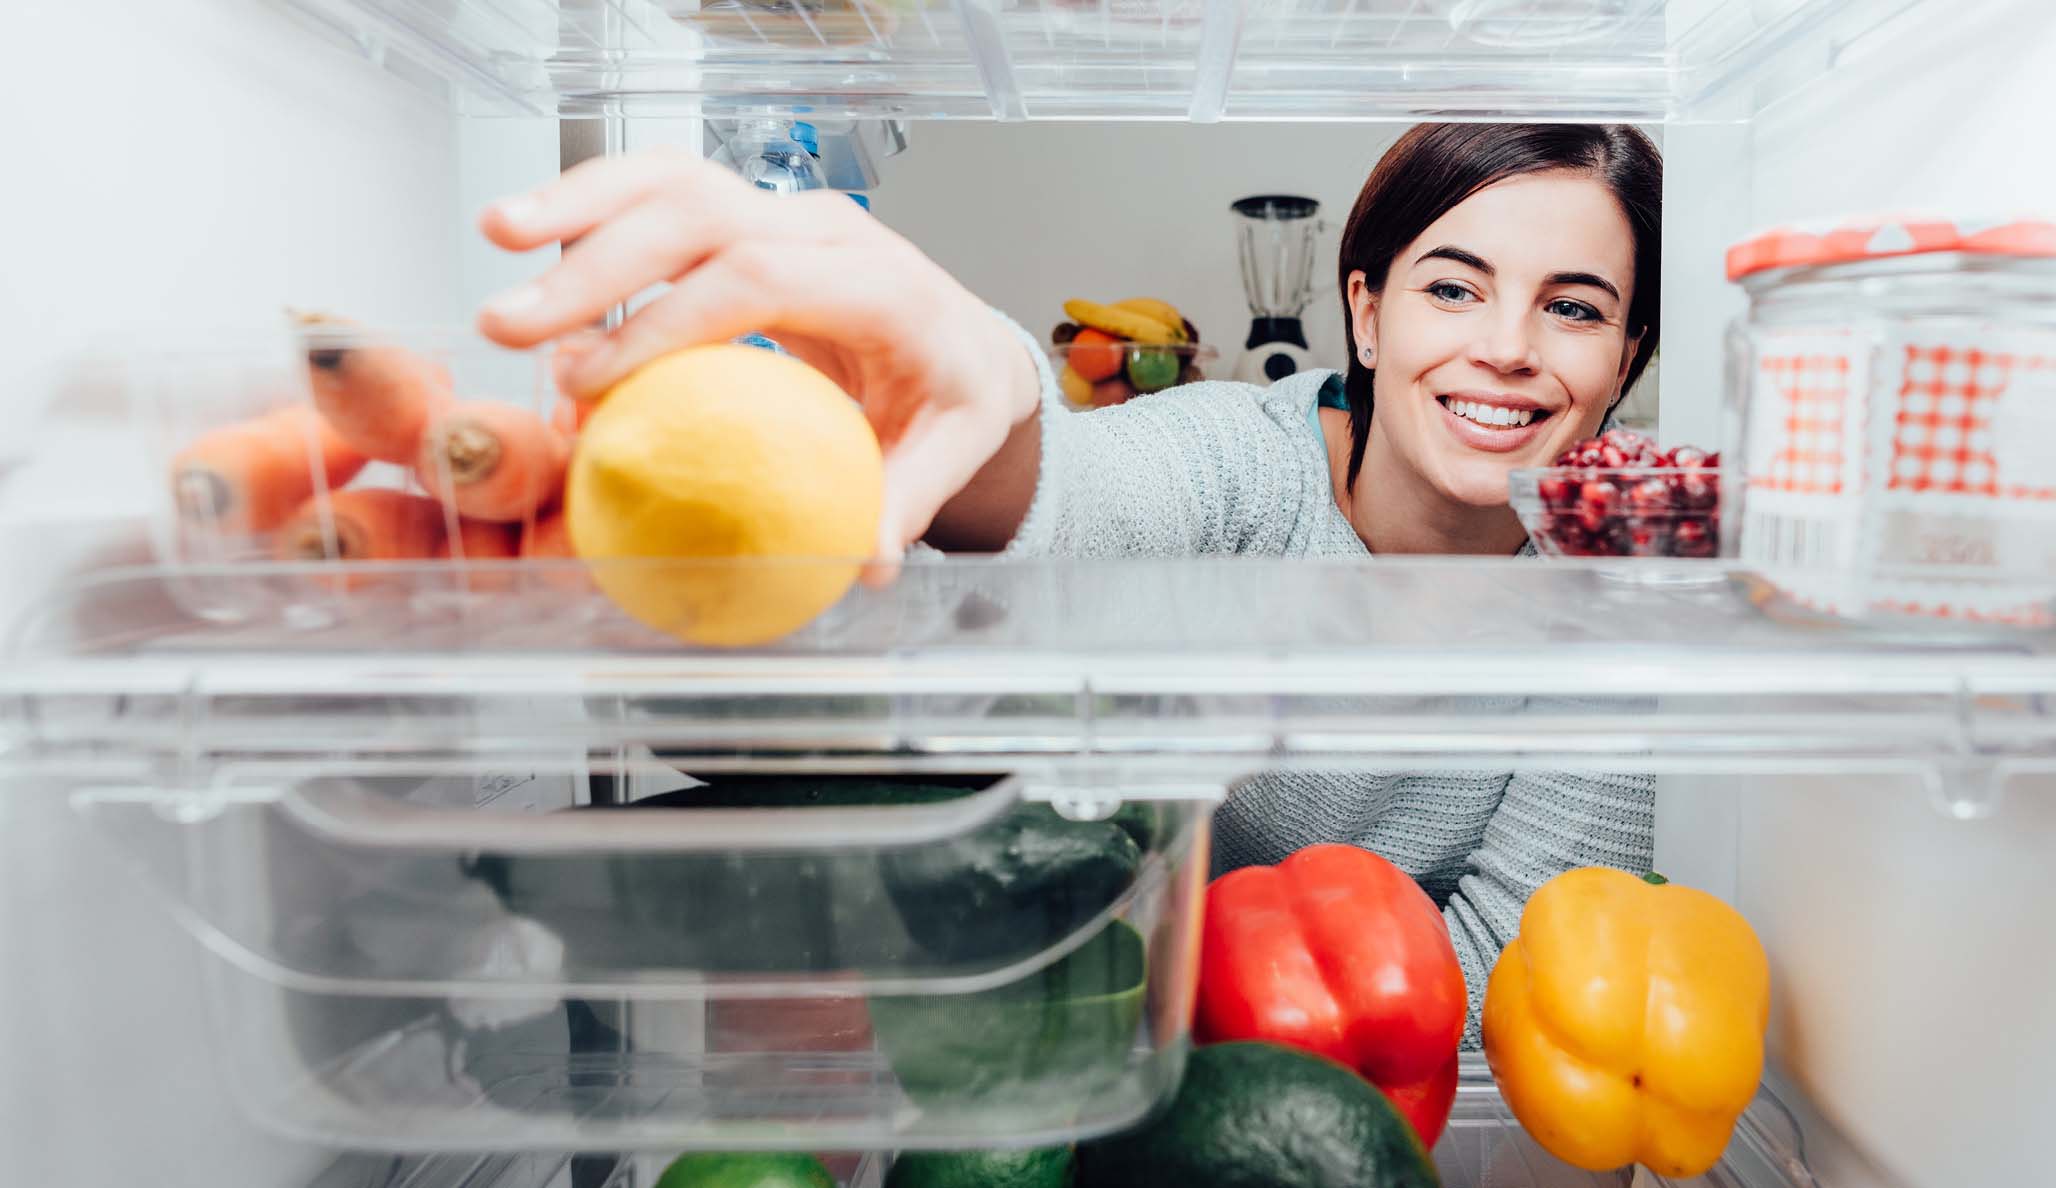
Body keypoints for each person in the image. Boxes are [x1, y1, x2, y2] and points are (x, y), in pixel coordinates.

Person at [476, 122, 1662, 1045]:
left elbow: (1530, 962)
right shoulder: (1242, 455)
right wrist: (981, 387)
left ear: (1625, 364)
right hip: (1081, 1022)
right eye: (1451, 288)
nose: (1507, 345)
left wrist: (1231, 1012)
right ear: (1363, 312)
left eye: (1572, 308)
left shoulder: (1615, 602)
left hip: (1347, 1083)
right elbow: (1079, 498)